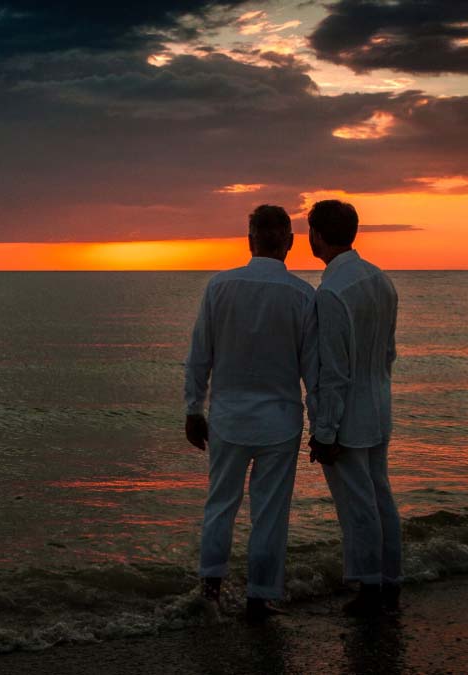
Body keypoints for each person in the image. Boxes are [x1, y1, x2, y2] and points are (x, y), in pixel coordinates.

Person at [184, 204, 318, 622]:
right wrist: (323, 425)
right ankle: (260, 597)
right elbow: (313, 371)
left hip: (228, 417)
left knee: (220, 505)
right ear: (289, 242)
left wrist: (193, 408)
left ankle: (210, 591)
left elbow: (200, 354)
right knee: (270, 514)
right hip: (281, 420)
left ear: (249, 240)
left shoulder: (220, 286)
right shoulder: (303, 295)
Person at [306, 199, 402, 616]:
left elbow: (333, 370)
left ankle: (369, 585)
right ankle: (389, 579)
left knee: (357, 502)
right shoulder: (381, 281)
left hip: (349, 413)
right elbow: (388, 353)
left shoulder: (331, 292)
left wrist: (324, 430)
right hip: (378, 402)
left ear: (317, 235)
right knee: (379, 494)